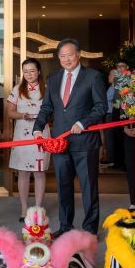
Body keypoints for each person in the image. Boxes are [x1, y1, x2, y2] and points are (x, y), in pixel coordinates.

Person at [33, 38, 106, 236]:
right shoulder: (54, 78)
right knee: (63, 187)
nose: (66, 59)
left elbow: (101, 107)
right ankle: (65, 226)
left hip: (85, 142)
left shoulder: (93, 76)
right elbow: (47, 107)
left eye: (70, 55)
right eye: (62, 56)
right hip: (60, 143)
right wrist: (38, 128)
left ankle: (90, 230)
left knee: (88, 188)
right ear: (58, 58)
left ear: (78, 55)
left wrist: (83, 123)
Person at [6, 58, 50, 221]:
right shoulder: (17, 89)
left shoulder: (47, 89)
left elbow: (53, 111)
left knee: (39, 171)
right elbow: (10, 112)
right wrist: (22, 115)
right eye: (25, 72)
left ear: (39, 71)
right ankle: (24, 208)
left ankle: (38, 208)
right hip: (22, 133)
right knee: (23, 172)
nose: (29, 74)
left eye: (32, 71)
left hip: (40, 133)